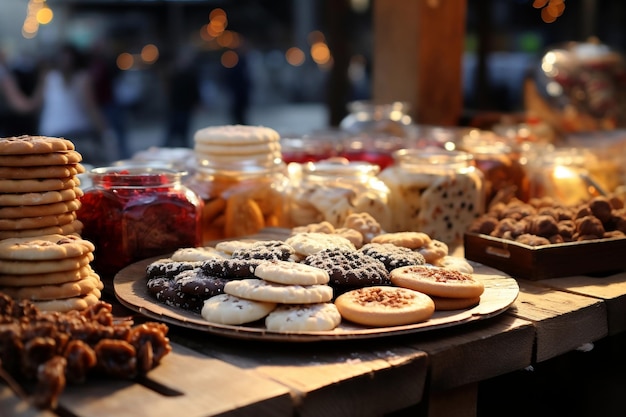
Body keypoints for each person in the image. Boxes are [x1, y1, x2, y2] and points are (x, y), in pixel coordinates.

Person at [38, 43, 111, 165]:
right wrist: (106, 132)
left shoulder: (51, 77)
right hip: (71, 135)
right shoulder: (52, 78)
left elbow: (90, 107)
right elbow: (91, 107)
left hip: (65, 134)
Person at [162, 49, 200, 148]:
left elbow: (194, 90)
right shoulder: (173, 73)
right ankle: (167, 147)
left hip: (186, 106)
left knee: (184, 128)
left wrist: (197, 103)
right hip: (175, 105)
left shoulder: (191, 74)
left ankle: (184, 147)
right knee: (172, 128)